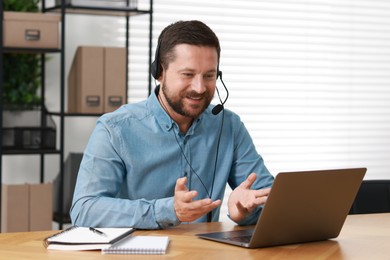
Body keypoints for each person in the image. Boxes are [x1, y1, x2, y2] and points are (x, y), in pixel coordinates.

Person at [70, 20, 274, 229]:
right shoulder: (115, 129)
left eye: (209, 76)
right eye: (188, 74)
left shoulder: (228, 126)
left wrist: (245, 212)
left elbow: (275, 202)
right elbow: (84, 210)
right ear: (160, 72)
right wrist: (167, 210)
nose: (200, 87)